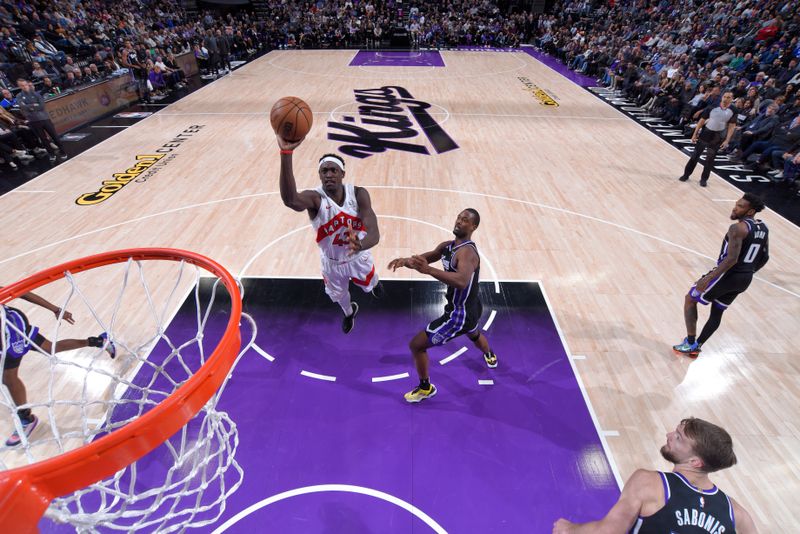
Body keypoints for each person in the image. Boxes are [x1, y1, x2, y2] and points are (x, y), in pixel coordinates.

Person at [552, 417, 758, 533]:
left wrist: (569, 529)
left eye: (678, 438)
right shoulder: (738, 515)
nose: (669, 435)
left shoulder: (649, 483)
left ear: (695, 462)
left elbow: (609, 531)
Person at [387, 209, 498, 403]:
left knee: (416, 345)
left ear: (473, 227)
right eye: (459, 217)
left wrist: (428, 270)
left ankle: (425, 388)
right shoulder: (448, 246)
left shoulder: (468, 253)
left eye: (465, 220)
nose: (459, 221)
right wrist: (406, 261)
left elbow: (462, 281)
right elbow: (427, 258)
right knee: (474, 333)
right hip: (472, 307)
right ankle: (489, 354)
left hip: (459, 314)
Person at [277, 135, 381, 333]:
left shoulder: (358, 194)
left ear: (342, 173)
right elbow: (291, 200)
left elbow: (374, 232)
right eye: (324, 171)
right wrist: (286, 153)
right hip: (331, 263)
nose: (329, 174)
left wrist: (361, 244)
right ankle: (350, 313)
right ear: (319, 175)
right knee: (339, 296)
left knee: (370, 281)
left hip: (358, 256)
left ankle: (375, 285)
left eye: (334, 170)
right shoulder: (315, 199)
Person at [2, 291, 115, 447]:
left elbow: (21, 292)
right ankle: (99, 341)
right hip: (9, 325)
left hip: (11, 329)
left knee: (8, 377)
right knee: (49, 348)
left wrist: (55, 309)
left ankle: (26, 419)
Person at [673, 193, 769, 356]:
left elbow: (731, 259)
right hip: (745, 279)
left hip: (728, 275)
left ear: (751, 211)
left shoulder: (738, 228)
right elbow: (765, 257)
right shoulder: (763, 228)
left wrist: (708, 278)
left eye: (740, 206)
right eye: (736, 204)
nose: (735, 207)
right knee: (717, 311)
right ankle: (697, 345)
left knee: (690, 299)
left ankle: (690, 343)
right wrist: (749, 272)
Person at [679, 90, 737, 187]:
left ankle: (704, 179)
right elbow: (702, 120)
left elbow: (732, 126)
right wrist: (695, 133)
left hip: (718, 136)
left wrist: (727, 140)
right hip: (706, 133)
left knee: (710, 159)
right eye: (725, 96)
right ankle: (686, 174)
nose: (726, 99)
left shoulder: (734, 110)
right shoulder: (713, 106)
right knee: (695, 156)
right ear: (722, 97)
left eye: (728, 97)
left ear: (732, 99)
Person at [15, 78, 67, 161]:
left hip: (44, 118)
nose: (24, 87)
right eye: (22, 86)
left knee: (54, 136)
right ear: (19, 86)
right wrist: (34, 105)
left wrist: (30, 106)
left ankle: (63, 151)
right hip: (33, 121)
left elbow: (42, 105)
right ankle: (51, 154)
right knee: (43, 139)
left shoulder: (36, 94)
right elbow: (22, 106)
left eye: (25, 85)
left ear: (27, 84)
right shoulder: (19, 96)